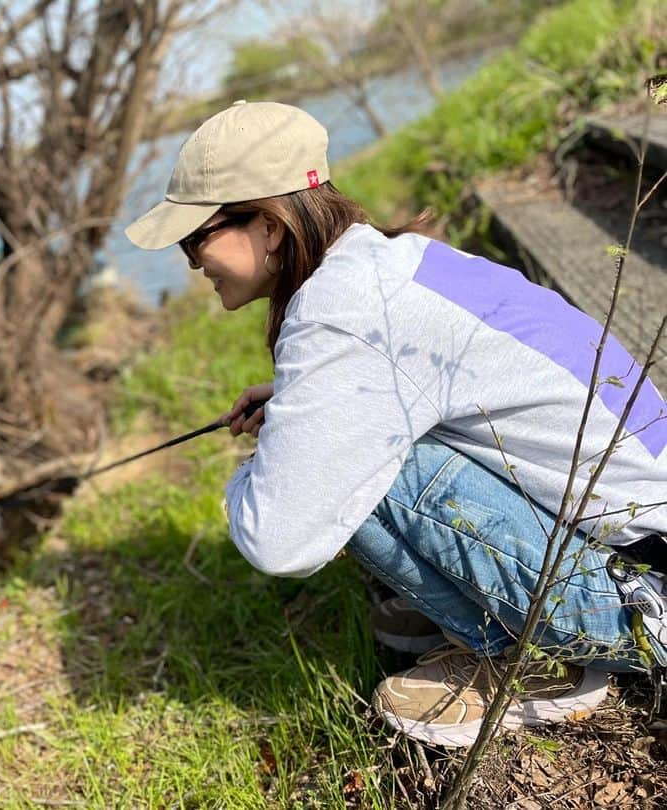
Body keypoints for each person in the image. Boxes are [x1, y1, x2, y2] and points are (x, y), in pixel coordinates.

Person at [124, 99, 667, 748]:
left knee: (335, 463)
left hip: (644, 599)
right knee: (340, 437)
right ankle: (502, 620)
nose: (191, 263)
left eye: (195, 240)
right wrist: (301, 402)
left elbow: (277, 541)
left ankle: (535, 664)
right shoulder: (385, 264)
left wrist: (260, 468)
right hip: (639, 548)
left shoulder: (340, 310)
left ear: (269, 225)